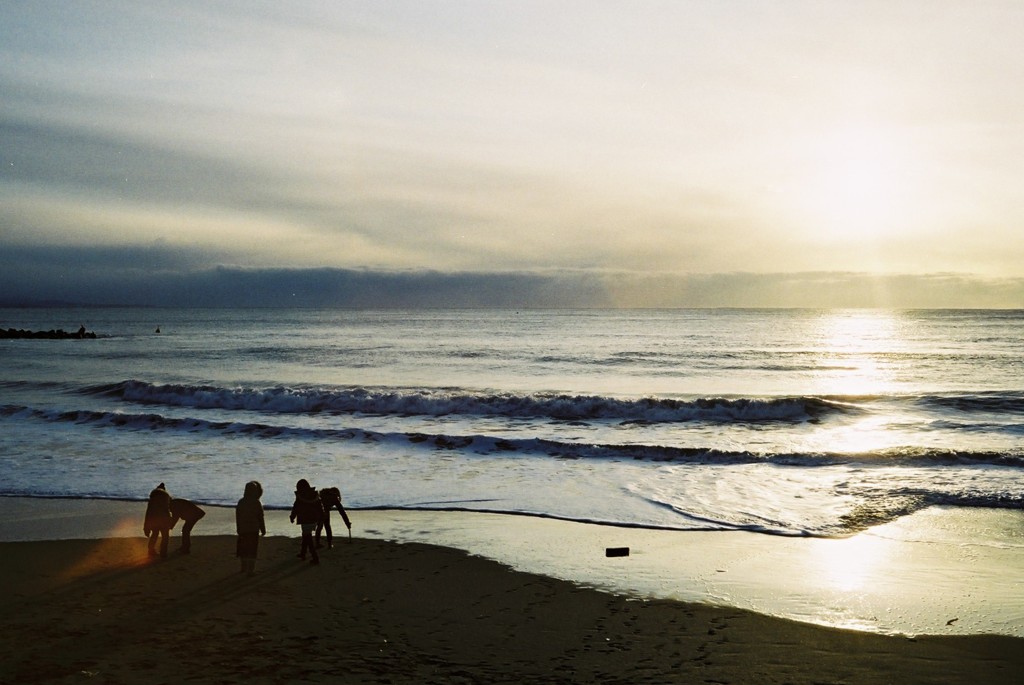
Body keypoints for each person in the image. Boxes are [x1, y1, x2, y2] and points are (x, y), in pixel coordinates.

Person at [235, 481, 266, 576]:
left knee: (243, 549)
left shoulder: (241, 502)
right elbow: (260, 517)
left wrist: (238, 527)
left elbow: (238, 516)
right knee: (252, 549)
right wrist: (263, 528)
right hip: (253, 529)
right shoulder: (256, 503)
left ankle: (243, 568)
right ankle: (250, 570)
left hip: (243, 529)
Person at [289, 479, 323, 565]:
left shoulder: (300, 497)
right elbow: (320, 507)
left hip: (305, 520)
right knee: (306, 536)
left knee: (308, 538)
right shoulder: (315, 495)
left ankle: (315, 558)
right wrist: (321, 517)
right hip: (314, 520)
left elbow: (295, 508)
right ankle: (303, 553)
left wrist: (292, 517)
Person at [143, 483, 173, 558]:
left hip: (154, 519)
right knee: (165, 536)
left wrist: (146, 526)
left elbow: (148, 512)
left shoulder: (152, 498)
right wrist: (170, 521)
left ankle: (151, 550)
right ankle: (163, 553)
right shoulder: (166, 496)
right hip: (164, 519)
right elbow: (168, 509)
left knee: (155, 534)